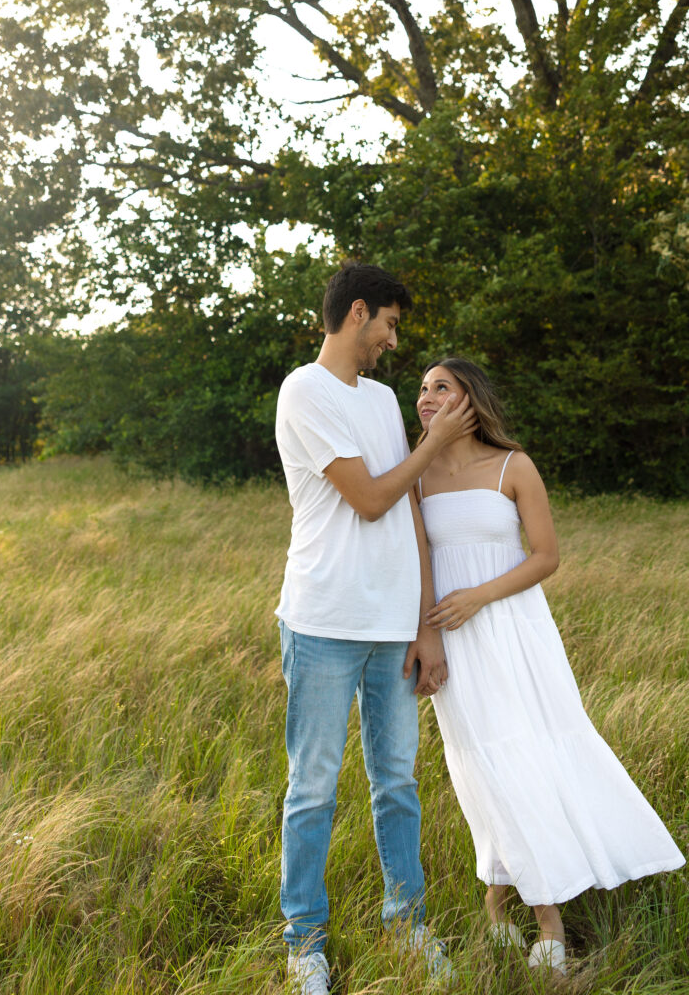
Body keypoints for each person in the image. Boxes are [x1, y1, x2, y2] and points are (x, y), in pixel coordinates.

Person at [415, 357, 686, 979]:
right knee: (484, 767)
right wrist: (428, 631)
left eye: (440, 388)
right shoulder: (417, 475)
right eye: (422, 391)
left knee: (533, 758)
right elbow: (419, 559)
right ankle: (501, 899)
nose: (426, 398)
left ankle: (545, 924)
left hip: (514, 631)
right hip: (453, 644)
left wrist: (479, 595)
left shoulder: (513, 465)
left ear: (470, 400)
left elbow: (546, 557)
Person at [274, 265, 476, 994]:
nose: (393, 341)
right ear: (355, 313)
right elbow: (366, 498)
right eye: (388, 323)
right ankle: (304, 941)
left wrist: (425, 625)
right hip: (325, 619)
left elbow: (409, 513)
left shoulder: (386, 399)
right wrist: (434, 442)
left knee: (396, 782)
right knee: (314, 788)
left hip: (394, 622)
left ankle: (408, 922)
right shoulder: (304, 389)